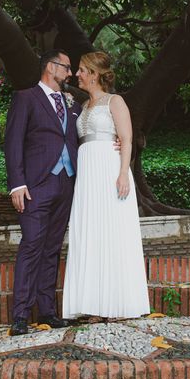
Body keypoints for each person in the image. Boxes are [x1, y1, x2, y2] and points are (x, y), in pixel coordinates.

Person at [62, 51, 150, 319]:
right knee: (89, 232)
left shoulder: (115, 101)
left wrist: (123, 173)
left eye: (81, 69)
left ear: (94, 73)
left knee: (112, 232)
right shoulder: (82, 106)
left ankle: (117, 303)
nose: (77, 74)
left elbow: (127, 138)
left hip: (110, 171)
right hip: (87, 176)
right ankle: (92, 304)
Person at [4, 49, 80, 336]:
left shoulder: (71, 102)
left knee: (52, 248)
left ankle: (48, 311)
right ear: (51, 67)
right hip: (35, 186)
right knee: (32, 244)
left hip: (67, 183)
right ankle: (21, 315)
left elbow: (78, 135)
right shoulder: (26, 98)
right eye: (67, 67)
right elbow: (13, 142)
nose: (70, 73)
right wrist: (17, 184)